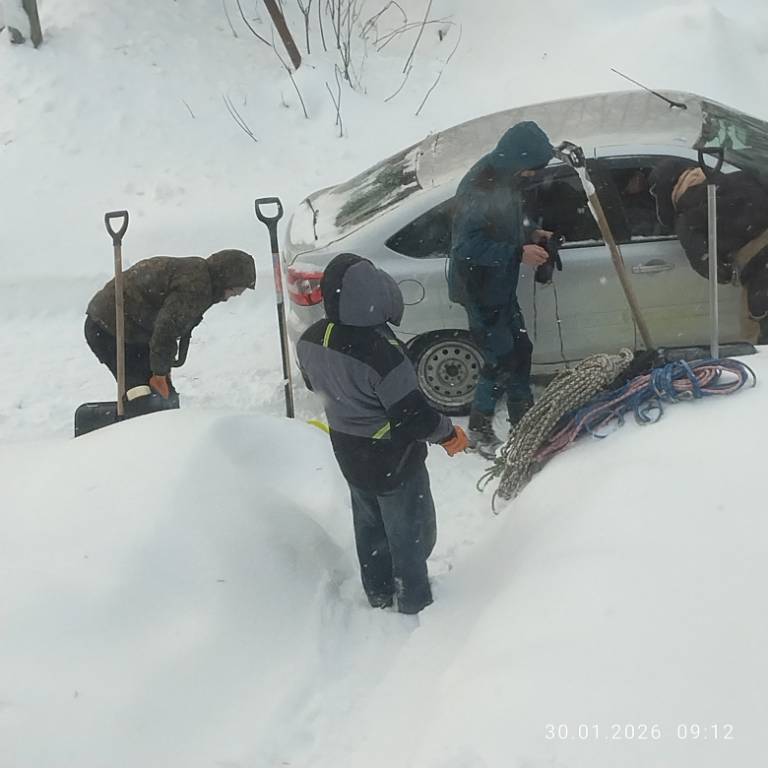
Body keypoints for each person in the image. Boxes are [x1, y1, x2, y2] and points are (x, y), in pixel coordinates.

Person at [297, 253, 468, 615]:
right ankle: (414, 600)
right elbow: (413, 416)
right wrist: (447, 434)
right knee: (410, 532)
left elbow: (314, 384)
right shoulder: (383, 354)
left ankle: (378, 590)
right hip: (393, 457)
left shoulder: (311, 339)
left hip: (348, 450)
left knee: (369, 523)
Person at [448, 121, 555, 455]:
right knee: (501, 359)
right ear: (519, 160)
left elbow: (504, 220)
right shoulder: (478, 190)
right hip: (478, 290)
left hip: (499, 286)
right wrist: (517, 253)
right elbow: (466, 247)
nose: (534, 175)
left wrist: (531, 233)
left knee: (520, 350)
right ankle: (480, 430)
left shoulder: (506, 175)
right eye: (532, 169)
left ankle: (525, 423)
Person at [85, 249, 256, 405]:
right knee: (142, 393)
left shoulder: (200, 277)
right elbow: (166, 329)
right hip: (110, 327)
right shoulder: (196, 287)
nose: (237, 294)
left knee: (163, 397)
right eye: (238, 289)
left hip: (133, 328)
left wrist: (162, 369)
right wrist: (160, 373)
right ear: (227, 280)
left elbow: (169, 328)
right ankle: (136, 423)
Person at [649, 158, 768, 340]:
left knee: (754, 329)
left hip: (761, 269)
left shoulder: (687, 217)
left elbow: (709, 265)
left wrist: (727, 271)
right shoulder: (739, 177)